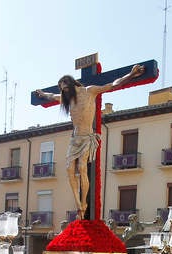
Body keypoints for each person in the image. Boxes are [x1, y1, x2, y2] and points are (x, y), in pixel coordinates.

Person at [35, 64, 146, 218]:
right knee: (69, 169)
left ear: (72, 84)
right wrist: (41, 94)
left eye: (65, 87)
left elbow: (112, 84)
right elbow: (51, 96)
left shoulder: (89, 91)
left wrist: (131, 74)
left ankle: (84, 203)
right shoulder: (66, 98)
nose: (64, 91)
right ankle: (79, 204)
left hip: (87, 136)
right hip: (74, 139)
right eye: (62, 89)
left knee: (82, 167)